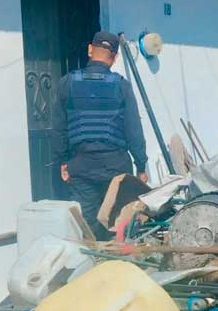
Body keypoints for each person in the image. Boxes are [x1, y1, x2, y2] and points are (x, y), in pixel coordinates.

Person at [53, 31, 149, 239]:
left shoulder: (66, 83)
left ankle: (92, 264)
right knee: (117, 225)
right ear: (114, 58)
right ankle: (114, 265)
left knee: (87, 227)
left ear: (89, 50)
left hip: (81, 166)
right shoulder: (121, 85)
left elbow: (59, 129)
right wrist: (141, 165)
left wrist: (62, 162)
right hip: (116, 167)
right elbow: (133, 129)